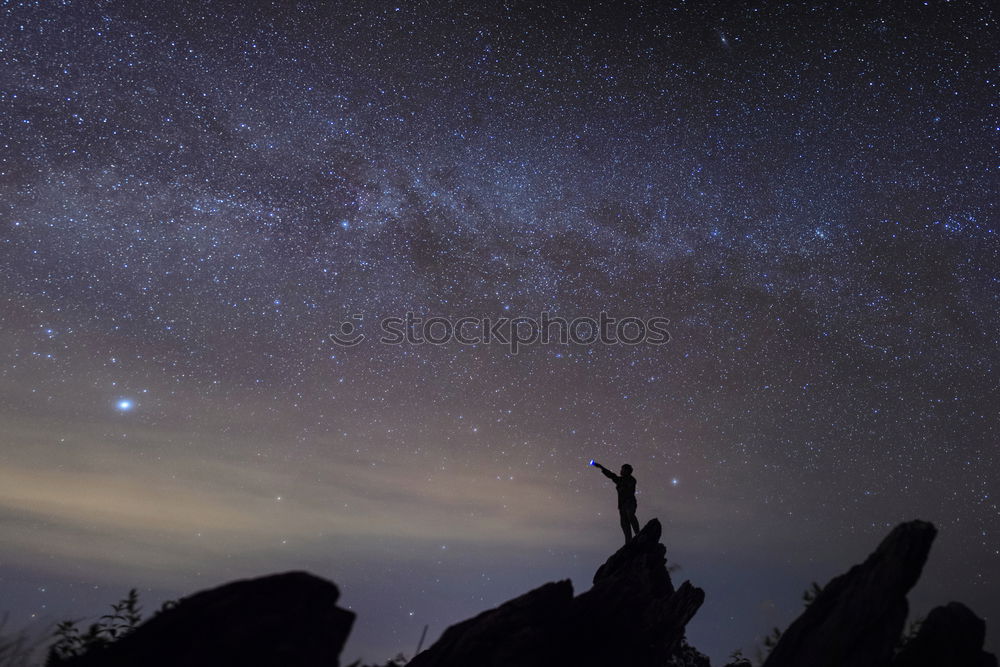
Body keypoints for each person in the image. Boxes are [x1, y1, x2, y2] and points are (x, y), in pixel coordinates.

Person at [591, 460, 640, 543]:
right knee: (624, 524)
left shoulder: (631, 479)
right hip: (622, 505)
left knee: (630, 515)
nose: (621, 471)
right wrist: (601, 467)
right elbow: (611, 475)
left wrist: (621, 485)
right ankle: (628, 542)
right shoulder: (619, 480)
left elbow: (627, 486)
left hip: (629, 502)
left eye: (623, 469)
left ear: (627, 471)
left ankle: (638, 534)